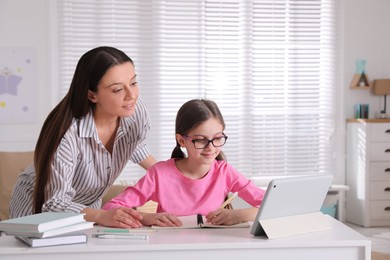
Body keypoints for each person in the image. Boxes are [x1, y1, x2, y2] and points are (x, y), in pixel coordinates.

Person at [9, 46, 156, 228]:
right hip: (39, 207)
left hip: (87, 210)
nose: (131, 95)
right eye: (118, 89)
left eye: (133, 83)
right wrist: (103, 216)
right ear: (92, 95)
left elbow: (136, 144)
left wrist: (169, 176)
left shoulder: (135, 111)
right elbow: (55, 203)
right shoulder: (67, 134)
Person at [103, 99, 265, 227]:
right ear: (181, 140)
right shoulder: (160, 174)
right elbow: (111, 207)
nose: (210, 148)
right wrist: (146, 217)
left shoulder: (224, 171)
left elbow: (272, 206)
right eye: (200, 140)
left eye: (217, 138)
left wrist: (238, 215)